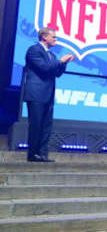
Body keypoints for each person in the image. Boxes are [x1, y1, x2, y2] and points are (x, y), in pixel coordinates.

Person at [23, 27, 74, 162]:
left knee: (46, 126)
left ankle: (42, 154)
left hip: (48, 95)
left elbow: (56, 73)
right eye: (54, 37)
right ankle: (33, 154)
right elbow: (44, 68)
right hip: (36, 94)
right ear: (44, 37)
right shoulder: (34, 50)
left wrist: (64, 64)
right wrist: (61, 62)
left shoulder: (52, 55)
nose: (56, 39)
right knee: (36, 125)